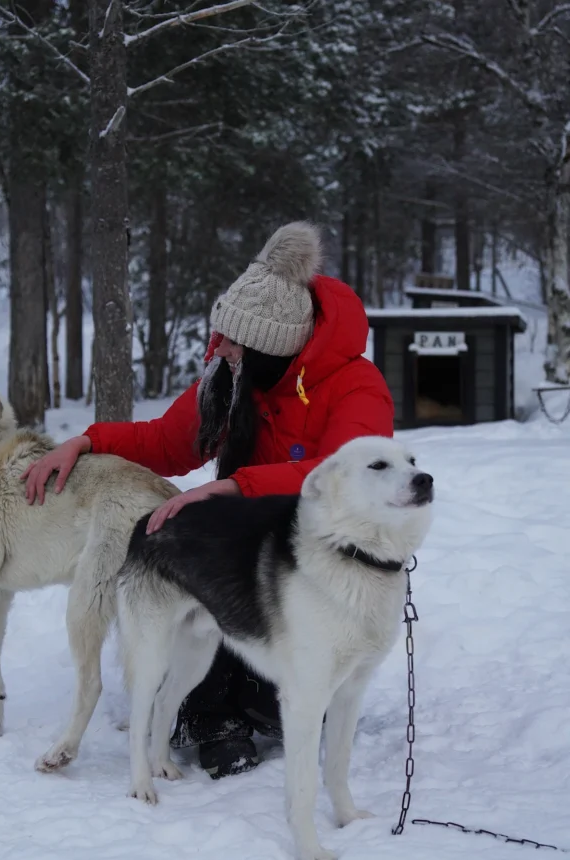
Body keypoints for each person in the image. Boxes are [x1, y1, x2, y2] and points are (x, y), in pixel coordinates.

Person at [22, 221, 394, 780]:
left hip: (325, 555)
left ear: (274, 349)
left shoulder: (356, 386)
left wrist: (235, 485)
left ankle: (260, 701)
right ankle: (208, 714)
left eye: (233, 341)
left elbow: (344, 477)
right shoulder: (231, 377)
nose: (218, 350)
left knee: (291, 690)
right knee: (205, 553)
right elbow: (165, 442)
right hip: (253, 544)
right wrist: (87, 440)